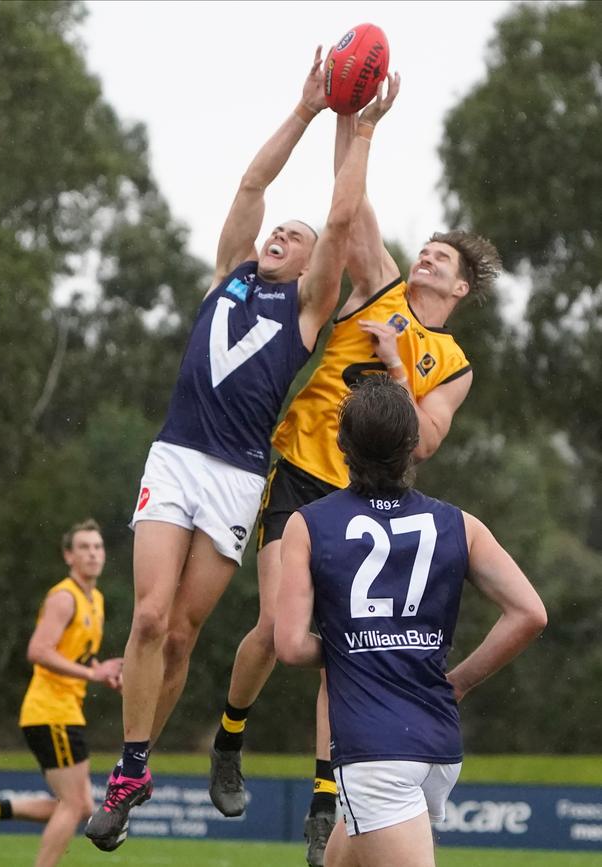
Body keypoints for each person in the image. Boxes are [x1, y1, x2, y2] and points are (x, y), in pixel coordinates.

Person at [85, 47, 399, 853]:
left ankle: (143, 759)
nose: (282, 232)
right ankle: (132, 769)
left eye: (292, 236)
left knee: (184, 635)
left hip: (234, 479)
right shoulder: (228, 274)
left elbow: (338, 221)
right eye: (278, 231)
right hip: (175, 457)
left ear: (306, 270)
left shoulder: (304, 313)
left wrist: (357, 131)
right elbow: (253, 189)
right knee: (150, 615)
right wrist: (303, 110)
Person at [208, 102, 502, 866]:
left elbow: (427, 442)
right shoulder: (381, 283)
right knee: (277, 630)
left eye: (442, 258)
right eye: (427, 248)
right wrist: (355, 118)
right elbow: (354, 201)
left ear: (463, 289)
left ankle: (323, 797)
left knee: (345, 646)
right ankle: (229, 736)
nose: (428, 257)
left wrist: (399, 366)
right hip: (302, 468)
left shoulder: (452, 365)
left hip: (368, 497)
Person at [274, 374, 547, 867]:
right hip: (438, 743)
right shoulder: (460, 524)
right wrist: (459, 680)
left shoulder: (308, 524)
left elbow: (290, 646)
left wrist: (356, 646)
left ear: (341, 447)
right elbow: (529, 613)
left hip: (375, 752)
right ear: (413, 446)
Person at [0, 520, 122, 867]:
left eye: (98, 547)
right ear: (68, 556)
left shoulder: (96, 600)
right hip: (50, 711)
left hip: (65, 711)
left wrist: (99, 671)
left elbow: (75, 652)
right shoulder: (65, 597)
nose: (93, 554)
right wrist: (92, 672)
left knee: (82, 806)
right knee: (74, 805)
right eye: (84, 547)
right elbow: (39, 650)